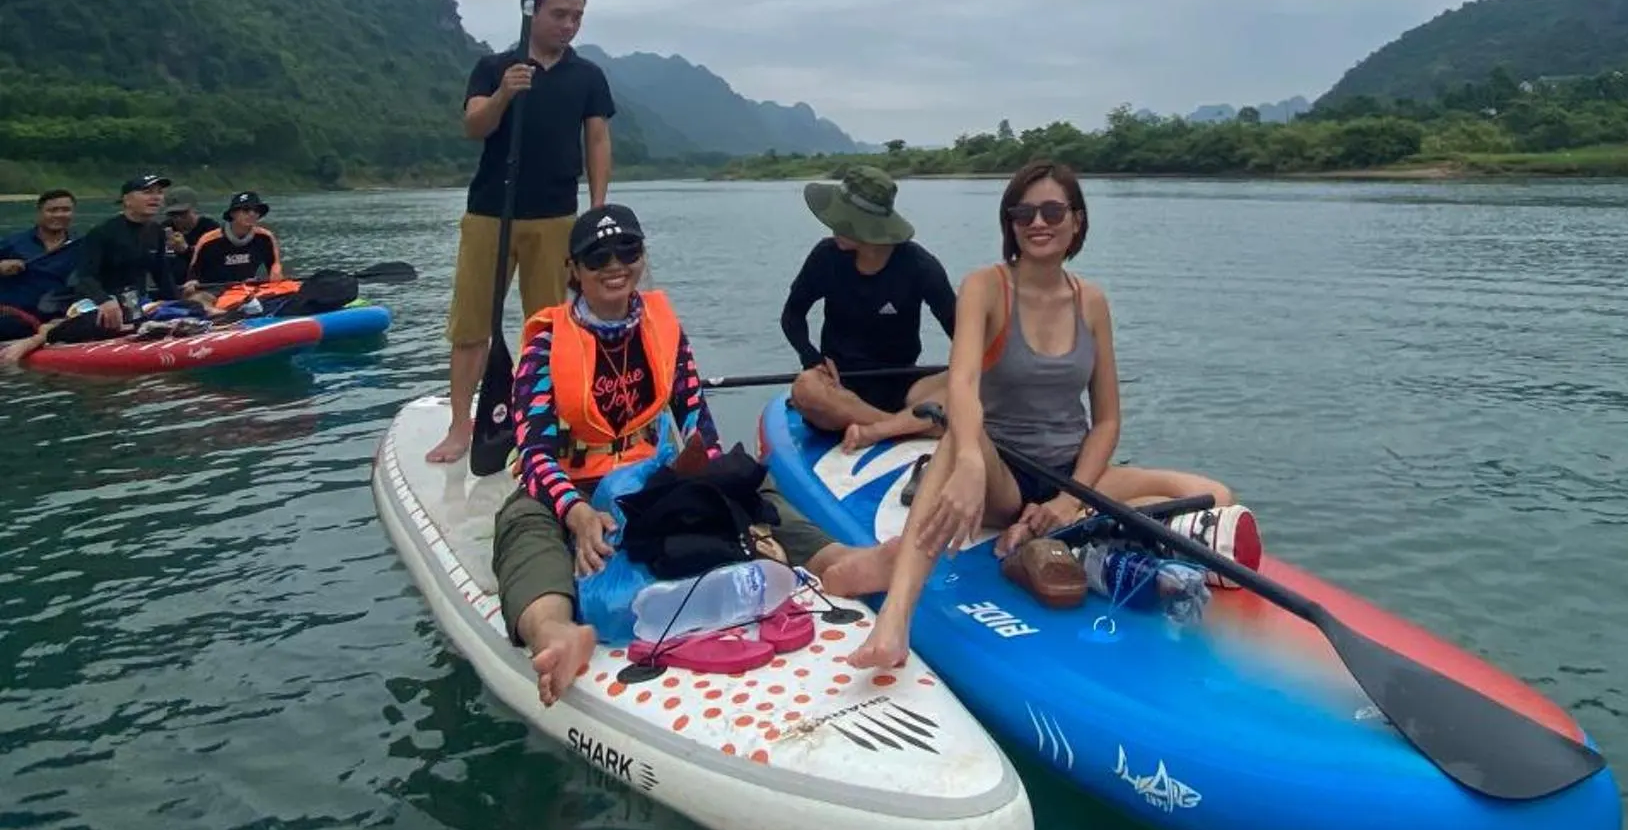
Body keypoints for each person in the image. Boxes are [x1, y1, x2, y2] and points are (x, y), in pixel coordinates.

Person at [846, 160, 1257, 672]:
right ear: (1010, 223)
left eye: (1052, 210)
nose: (1037, 222)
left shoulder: (1092, 302)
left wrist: (1066, 500)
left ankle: (1060, 529)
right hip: (1004, 471)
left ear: (1077, 221)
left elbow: (1106, 421)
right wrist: (974, 459)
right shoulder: (986, 287)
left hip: (1074, 476)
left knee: (1214, 494)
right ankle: (895, 621)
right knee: (955, 446)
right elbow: (963, 384)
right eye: (1023, 212)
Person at [492, 204, 873, 705]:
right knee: (525, 522)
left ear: (642, 255)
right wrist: (578, 512)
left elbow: (696, 418)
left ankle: (839, 562)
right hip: (575, 484)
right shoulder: (547, 344)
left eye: (627, 249)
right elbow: (536, 451)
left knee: (751, 484)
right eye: (597, 255)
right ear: (574, 270)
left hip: (652, 476)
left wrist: (717, 484)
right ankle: (557, 633)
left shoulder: (662, 328)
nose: (614, 264)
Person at [436, 0, 615, 465]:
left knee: (555, 325)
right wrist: (505, 93)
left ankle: (553, 424)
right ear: (531, 10)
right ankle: (460, 428)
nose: (570, 25)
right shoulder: (495, 66)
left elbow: (597, 140)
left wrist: (597, 209)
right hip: (491, 213)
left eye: (577, 16)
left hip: (557, 217)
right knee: (472, 326)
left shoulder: (587, 76)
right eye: (560, 14)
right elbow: (473, 126)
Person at [781, 168, 958, 450]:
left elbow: (964, 339)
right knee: (805, 388)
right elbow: (792, 315)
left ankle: (882, 429)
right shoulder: (825, 257)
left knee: (975, 377)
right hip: (842, 387)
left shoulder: (920, 266)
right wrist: (810, 357)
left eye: (845, 221)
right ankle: (905, 427)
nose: (834, 226)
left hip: (904, 384)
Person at [61, 175, 181, 330]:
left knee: (193, 308)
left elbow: (162, 275)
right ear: (127, 200)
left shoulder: (156, 232)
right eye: (147, 192)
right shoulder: (103, 232)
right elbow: (85, 276)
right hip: (102, 302)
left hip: (137, 303)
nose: (155, 197)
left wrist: (176, 304)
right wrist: (103, 300)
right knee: (96, 321)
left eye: (159, 192)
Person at [0, 189, 81, 341]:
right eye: (52, 210)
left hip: (56, 321)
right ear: (39, 213)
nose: (59, 215)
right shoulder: (13, 243)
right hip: (11, 318)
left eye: (66, 210)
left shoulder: (82, 246)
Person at [185, 193, 284, 295]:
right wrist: (193, 283)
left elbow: (274, 265)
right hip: (214, 292)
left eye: (256, 210)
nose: (252, 214)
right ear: (232, 214)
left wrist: (276, 273)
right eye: (246, 210)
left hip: (248, 291)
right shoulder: (208, 240)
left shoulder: (266, 237)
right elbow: (194, 273)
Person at [162, 189, 220, 287]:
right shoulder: (163, 229)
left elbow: (216, 262)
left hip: (203, 286)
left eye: (183, 213)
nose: (178, 219)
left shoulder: (211, 229)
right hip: (172, 287)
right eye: (173, 215)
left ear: (194, 209)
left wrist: (186, 250)